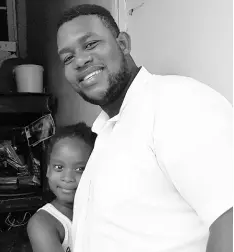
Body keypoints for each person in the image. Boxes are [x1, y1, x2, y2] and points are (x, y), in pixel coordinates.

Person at [56, 4, 233, 252]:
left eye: (90, 44)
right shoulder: (106, 133)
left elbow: (230, 218)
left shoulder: (176, 103)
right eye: (68, 58)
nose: (80, 61)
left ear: (123, 44)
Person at [27, 122, 96, 252]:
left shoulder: (101, 211)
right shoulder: (43, 223)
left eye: (80, 169)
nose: (68, 178)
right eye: (59, 167)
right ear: (48, 170)